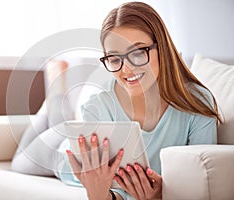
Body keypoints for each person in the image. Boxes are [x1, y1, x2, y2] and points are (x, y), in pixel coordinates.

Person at [64, 2, 222, 200]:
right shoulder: (97, 108)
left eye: (138, 53)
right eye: (114, 58)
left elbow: (201, 182)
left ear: (161, 48)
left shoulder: (197, 103)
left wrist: (161, 195)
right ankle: (54, 98)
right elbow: (113, 192)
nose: (127, 69)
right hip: (61, 159)